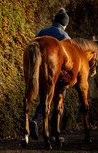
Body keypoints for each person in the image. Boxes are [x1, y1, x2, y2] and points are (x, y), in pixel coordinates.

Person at [30, 8, 71, 142]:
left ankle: (36, 120)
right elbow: (70, 59)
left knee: (44, 100)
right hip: (57, 78)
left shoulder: (42, 32)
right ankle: (54, 134)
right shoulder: (65, 36)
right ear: (64, 23)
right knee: (59, 102)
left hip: (41, 73)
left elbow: (32, 47)